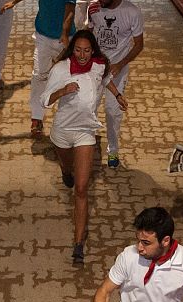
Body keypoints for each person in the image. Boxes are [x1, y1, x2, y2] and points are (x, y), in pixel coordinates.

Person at [41, 29, 125, 263]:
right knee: (69, 170)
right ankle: (65, 170)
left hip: (86, 132)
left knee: (81, 188)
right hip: (62, 133)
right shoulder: (61, 69)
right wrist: (62, 91)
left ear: (93, 50)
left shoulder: (99, 65)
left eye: (86, 50)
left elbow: (106, 80)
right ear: (72, 49)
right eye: (78, 50)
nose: (82, 55)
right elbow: (45, 100)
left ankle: (78, 243)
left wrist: (117, 95)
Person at [2, 0, 76, 137]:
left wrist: (65, 32)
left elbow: (71, 7)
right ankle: (37, 118)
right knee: (38, 76)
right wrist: (13, 2)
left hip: (65, 38)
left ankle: (68, 121)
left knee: (68, 79)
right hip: (43, 36)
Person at [88, 0, 143, 168]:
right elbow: (88, 34)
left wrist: (121, 64)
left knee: (113, 112)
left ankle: (113, 150)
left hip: (117, 71)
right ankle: (87, 145)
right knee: (89, 107)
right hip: (95, 69)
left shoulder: (132, 12)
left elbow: (139, 44)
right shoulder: (94, 7)